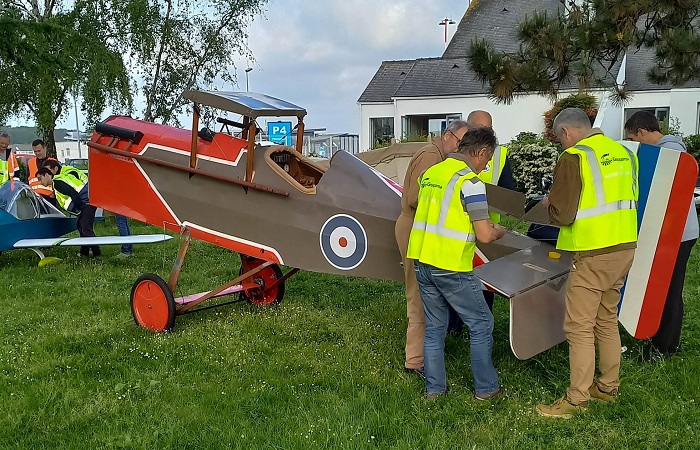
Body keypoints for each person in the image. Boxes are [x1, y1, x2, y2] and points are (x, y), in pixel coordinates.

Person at [537, 108, 638, 418]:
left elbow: (564, 213)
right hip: (624, 246)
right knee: (606, 317)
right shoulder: (623, 152)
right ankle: (607, 387)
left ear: (566, 132)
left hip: (592, 251)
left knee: (579, 327)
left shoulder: (574, 157)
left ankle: (576, 398)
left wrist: (547, 206)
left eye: (558, 139)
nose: (560, 145)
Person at [407, 127, 507, 400]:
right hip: (450, 265)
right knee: (482, 324)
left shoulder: (433, 173)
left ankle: (434, 390)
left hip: (423, 260)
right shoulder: (470, 182)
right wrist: (501, 231)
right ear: (481, 152)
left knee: (434, 327)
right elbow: (485, 234)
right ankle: (487, 389)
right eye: (488, 161)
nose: (486, 167)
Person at [395, 120, 470, 377]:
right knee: (418, 294)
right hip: (415, 226)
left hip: (421, 226)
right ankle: (415, 361)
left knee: (425, 291)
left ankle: (424, 353)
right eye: (461, 142)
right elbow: (416, 197)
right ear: (448, 136)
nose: (462, 149)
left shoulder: (437, 154)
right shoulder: (431, 156)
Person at [624, 111, 697, 359]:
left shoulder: (671, 154)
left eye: (634, 139)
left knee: (668, 289)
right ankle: (667, 341)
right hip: (670, 232)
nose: (636, 145)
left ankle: (664, 347)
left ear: (643, 132)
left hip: (676, 234)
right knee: (668, 288)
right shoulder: (668, 152)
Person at [36, 159, 102, 258]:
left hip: (87, 203)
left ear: (46, 175)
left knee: (85, 228)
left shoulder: (57, 183)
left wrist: (80, 208)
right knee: (81, 226)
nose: (40, 182)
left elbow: (73, 193)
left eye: (40, 178)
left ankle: (97, 253)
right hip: (88, 202)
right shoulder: (58, 181)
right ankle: (85, 252)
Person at [27, 139, 58, 206]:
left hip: (49, 198)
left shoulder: (53, 163)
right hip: (34, 198)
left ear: (45, 148)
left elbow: (58, 179)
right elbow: (27, 180)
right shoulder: (30, 163)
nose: (37, 153)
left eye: (39, 151)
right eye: (35, 151)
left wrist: (54, 194)